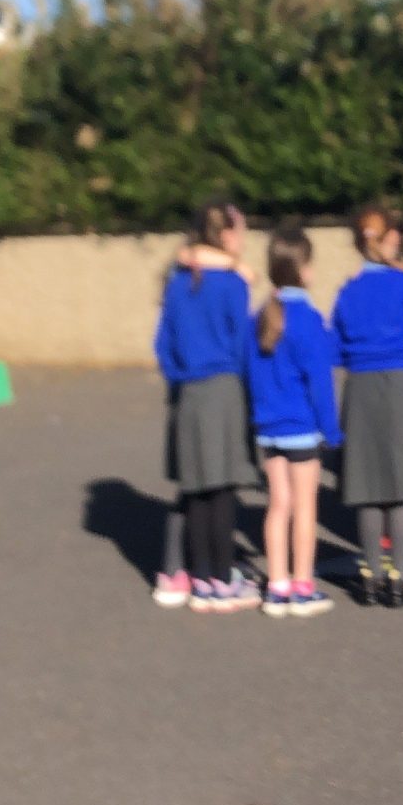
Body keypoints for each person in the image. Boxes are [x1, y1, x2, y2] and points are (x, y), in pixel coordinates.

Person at [333, 203, 403, 609]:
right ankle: (399, 579)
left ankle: (370, 576)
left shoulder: (348, 290)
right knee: (401, 488)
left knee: (367, 488)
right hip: (401, 386)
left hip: (361, 389)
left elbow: (335, 348)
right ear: (393, 237)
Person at [153, 199, 258, 613]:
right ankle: (223, 578)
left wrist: (180, 376)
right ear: (226, 235)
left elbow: (163, 344)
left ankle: (201, 580)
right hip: (225, 389)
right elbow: (243, 344)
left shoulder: (177, 281)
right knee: (223, 489)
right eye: (241, 231)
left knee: (197, 489)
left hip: (190, 393)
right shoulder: (234, 284)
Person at [248, 221, 340, 618]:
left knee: (277, 505)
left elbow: (250, 374)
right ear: (304, 270)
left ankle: (277, 585)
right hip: (302, 429)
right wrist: (332, 430)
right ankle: (303, 586)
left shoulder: (258, 318)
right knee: (305, 507)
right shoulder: (308, 318)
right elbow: (321, 383)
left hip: (269, 430)